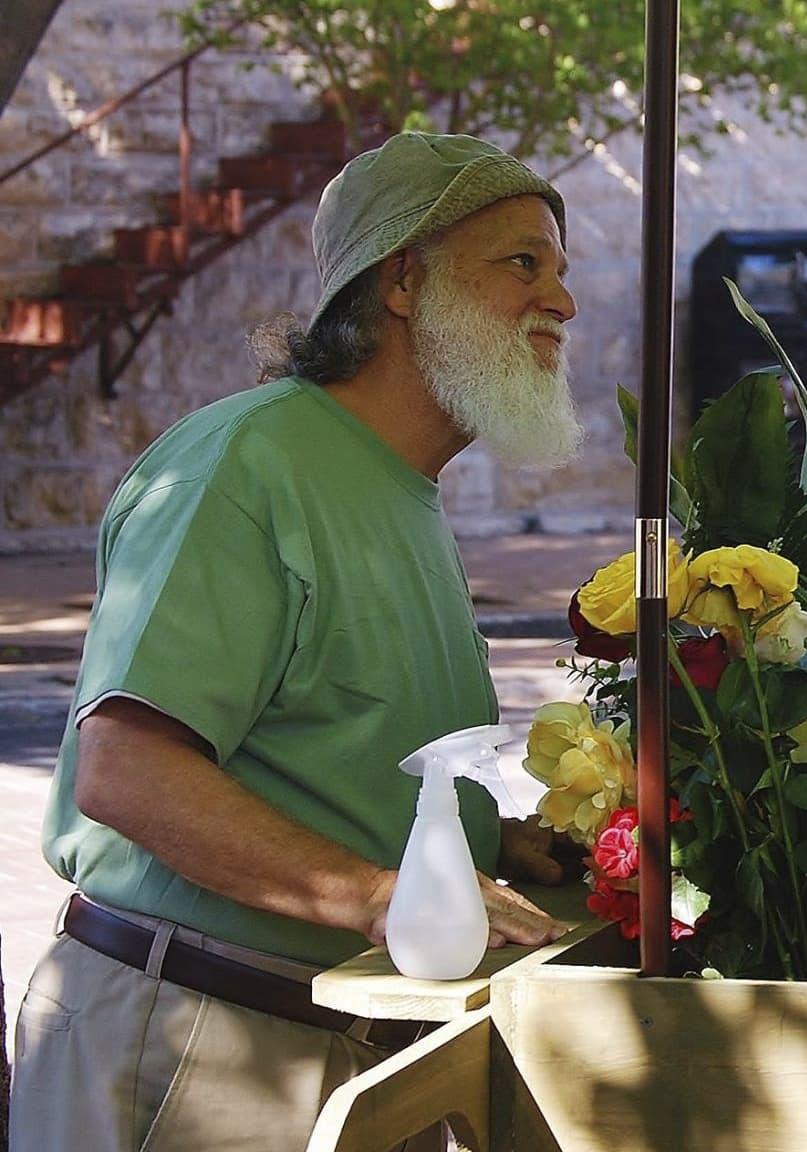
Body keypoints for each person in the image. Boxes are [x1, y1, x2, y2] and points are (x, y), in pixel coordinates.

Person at [10, 132, 585, 1152]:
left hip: (352, 1053)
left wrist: (488, 844)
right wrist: (375, 896)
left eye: (559, 270)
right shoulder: (247, 463)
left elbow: (334, 754)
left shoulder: (400, 492)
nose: (562, 304)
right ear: (402, 279)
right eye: (522, 263)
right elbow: (127, 773)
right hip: (196, 1042)